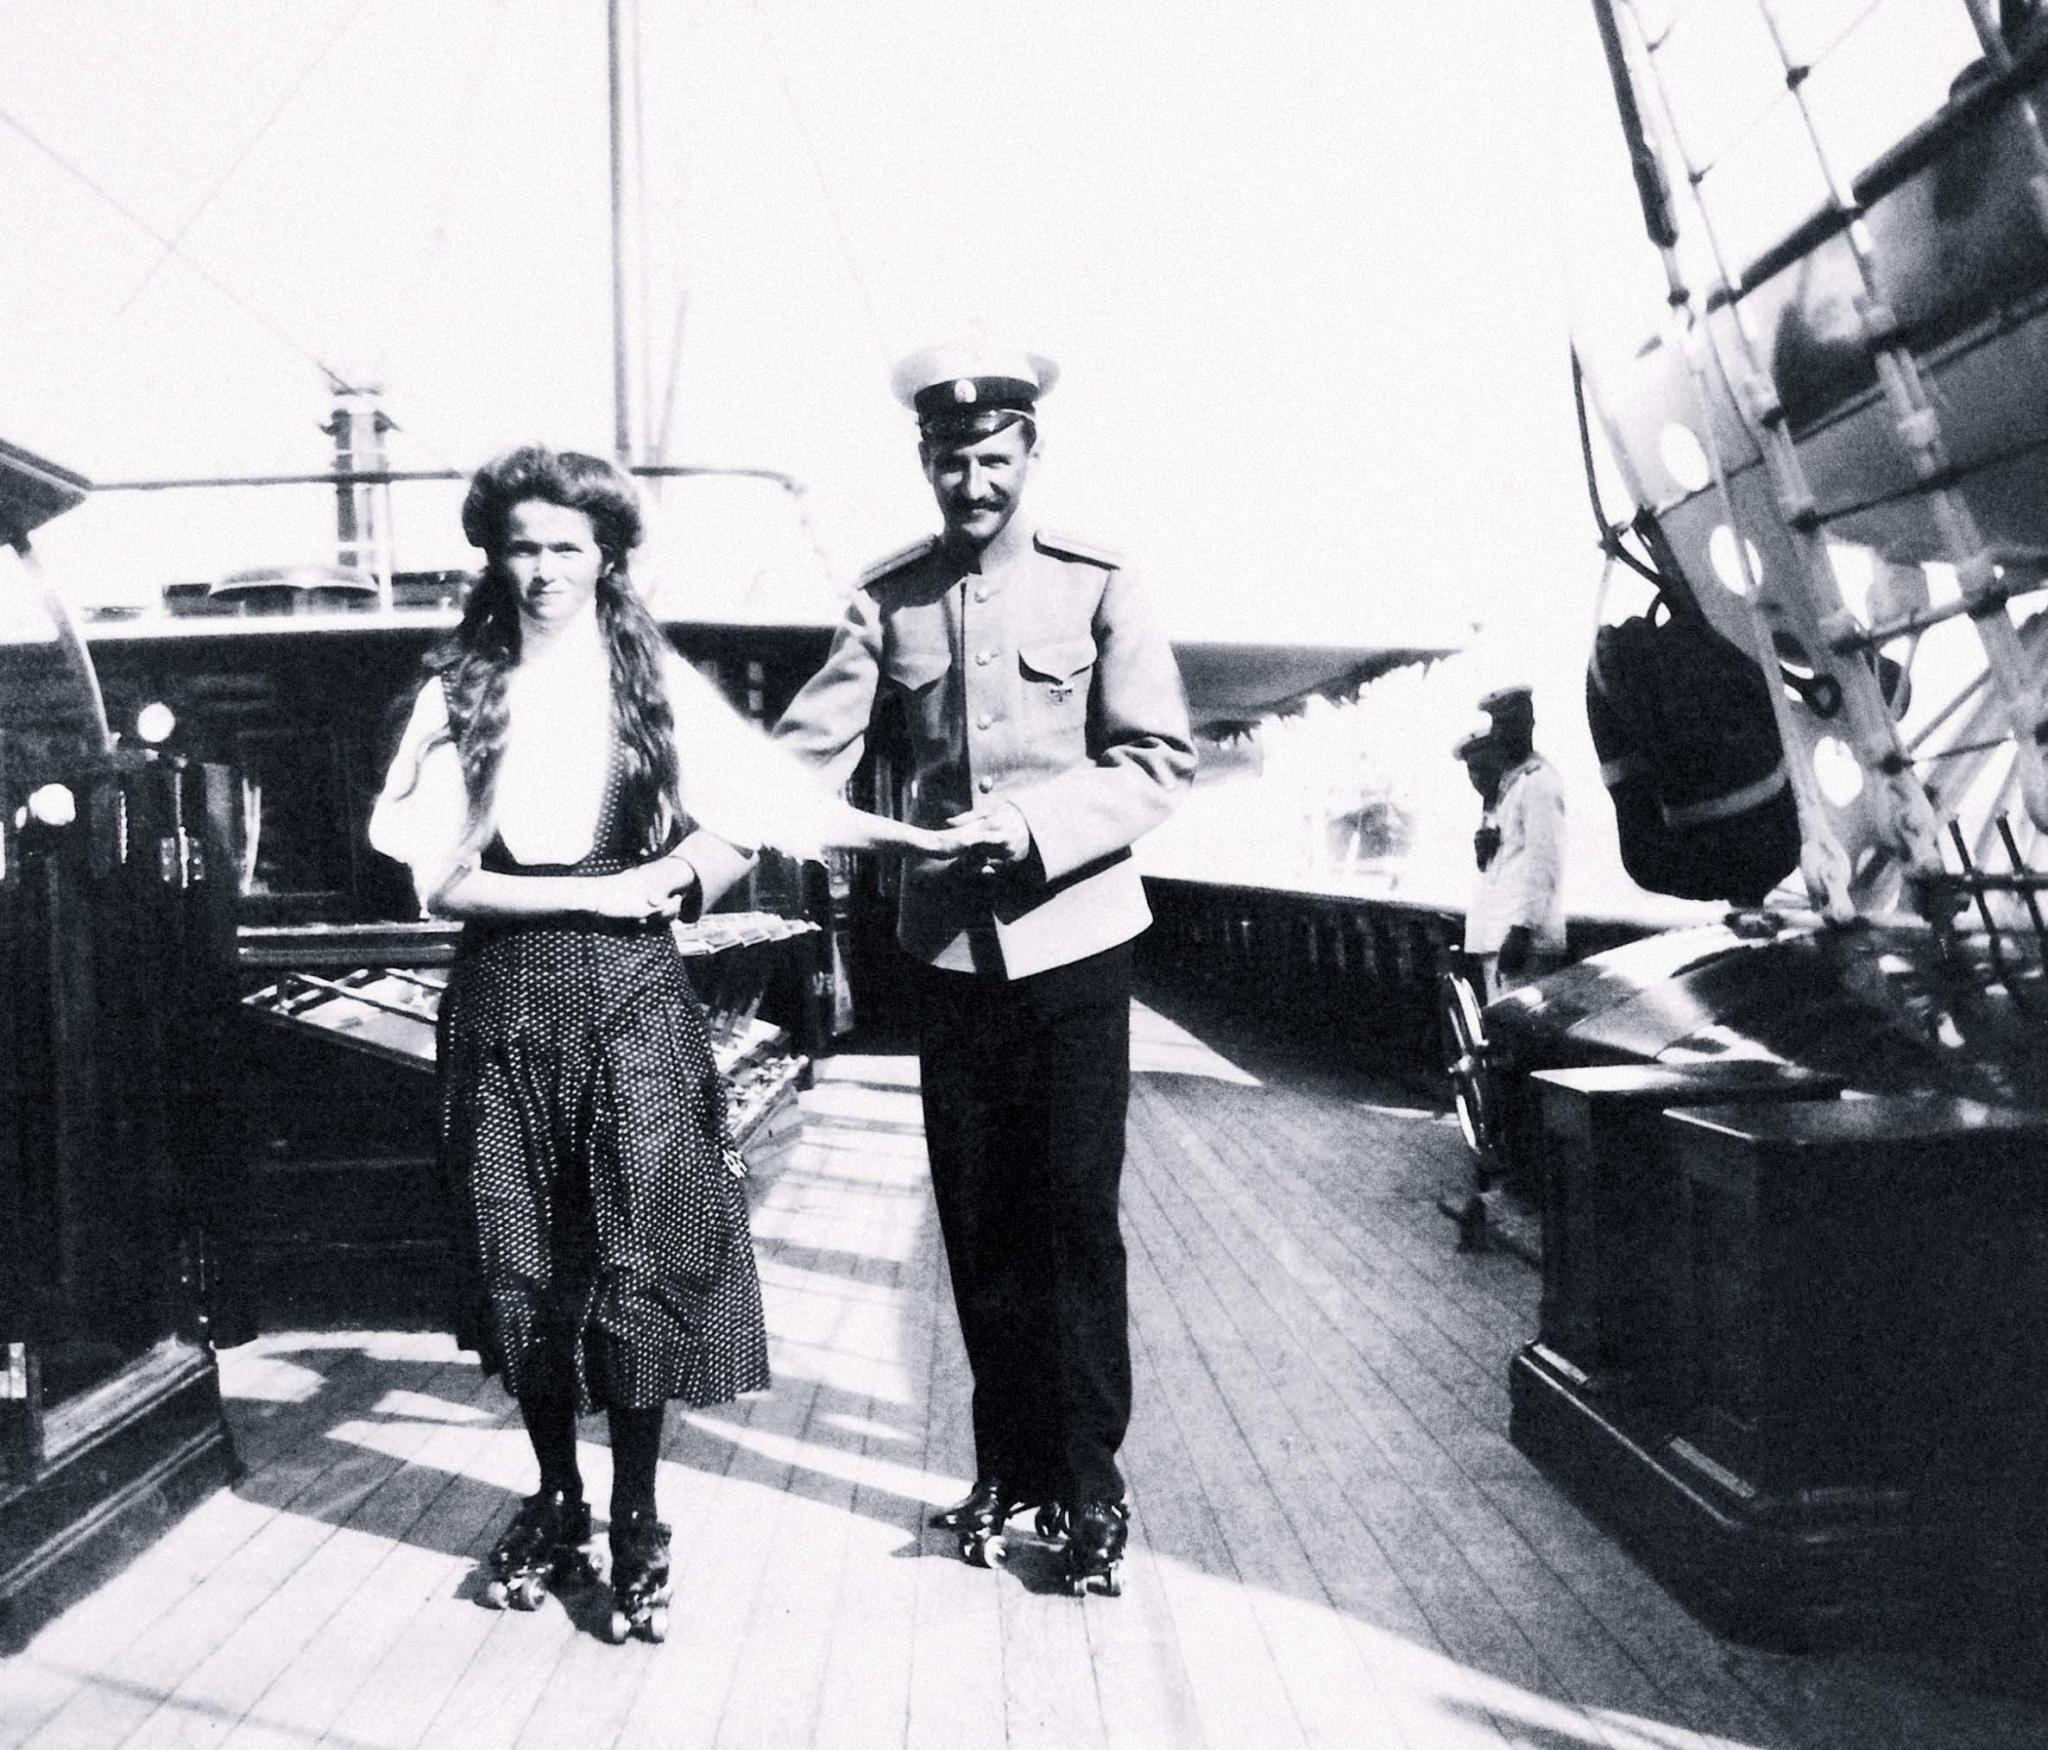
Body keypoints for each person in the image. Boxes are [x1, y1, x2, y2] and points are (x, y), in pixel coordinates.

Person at [369, 445, 957, 1643]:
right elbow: (442, 881)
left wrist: (911, 841)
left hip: (634, 1004)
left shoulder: (648, 684)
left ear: (605, 558)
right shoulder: (458, 695)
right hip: (504, 1004)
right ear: (494, 557)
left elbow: (771, 801)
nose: (542, 570)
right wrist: (603, 893)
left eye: (565, 547)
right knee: (519, 1258)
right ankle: (558, 1496)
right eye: (522, 547)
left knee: (639, 1254)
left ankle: (636, 1512)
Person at [771, 341, 1196, 1594]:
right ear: (924, 460)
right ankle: (1004, 1468)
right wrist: (699, 821)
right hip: (947, 957)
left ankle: (1088, 1485)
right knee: (977, 1223)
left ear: (1029, 453)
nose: (974, 482)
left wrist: (1032, 824)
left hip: (1075, 944)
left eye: (995, 458)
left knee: (1071, 1220)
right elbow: (803, 755)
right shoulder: (887, 600)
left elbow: (1156, 759)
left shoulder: (1098, 582)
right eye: (951, 461)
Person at [1457, 685, 1567, 1000]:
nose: (1503, 732)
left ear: (1529, 724)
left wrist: (1521, 929)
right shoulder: (1510, 785)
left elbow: (1544, 860)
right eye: (1498, 725)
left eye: (1510, 723)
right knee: (1501, 1023)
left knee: (1522, 1024)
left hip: (1524, 942)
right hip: (1501, 936)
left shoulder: (1538, 782)